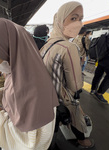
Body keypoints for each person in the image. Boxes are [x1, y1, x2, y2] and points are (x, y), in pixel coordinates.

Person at [0, 18, 59, 150]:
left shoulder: (35, 88)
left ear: (12, 51)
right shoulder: (21, 72)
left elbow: (29, 142)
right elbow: (16, 91)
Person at [40, 1, 94, 149]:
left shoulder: (47, 45)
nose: (78, 24)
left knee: (51, 128)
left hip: (45, 97)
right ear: (60, 21)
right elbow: (75, 85)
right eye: (73, 18)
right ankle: (83, 141)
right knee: (76, 115)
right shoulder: (68, 47)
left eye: (80, 19)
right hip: (62, 99)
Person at [90, 19, 109, 104]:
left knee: (98, 74)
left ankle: (93, 89)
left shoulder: (107, 32)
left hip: (101, 58)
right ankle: (99, 93)